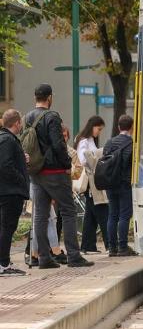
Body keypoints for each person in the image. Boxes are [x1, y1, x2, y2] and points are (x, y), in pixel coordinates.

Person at [25, 84, 93, 268]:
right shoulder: (52, 117)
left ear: (35, 97)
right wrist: (66, 165)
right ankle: (73, 256)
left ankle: (44, 258)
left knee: (40, 215)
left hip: (37, 173)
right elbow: (58, 144)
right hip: (55, 172)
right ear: (49, 98)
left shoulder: (28, 117)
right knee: (68, 212)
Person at [0, 109, 29, 275]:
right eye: (20, 124)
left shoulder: (5, 139)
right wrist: (21, 179)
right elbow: (5, 166)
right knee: (7, 227)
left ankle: (3, 262)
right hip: (10, 192)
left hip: (6, 190)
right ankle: (3, 264)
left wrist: (21, 158)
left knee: (5, 227)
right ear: (17, 123)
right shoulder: (8, 140)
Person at [75, 115, 109, 253]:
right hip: (90, 181)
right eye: (98, 129)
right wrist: (98, 155)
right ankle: (110, 243)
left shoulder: (88, 140)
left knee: (91, 215)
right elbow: (84, 160)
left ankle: (88, 245)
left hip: (92, 180)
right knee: (102, 211)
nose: (99, 132)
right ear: (92, 126)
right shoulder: (84, 141)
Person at [104, 114, 137, 257]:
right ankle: (123, 247)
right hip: (125, 183)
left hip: (110, 183)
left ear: (118, 127)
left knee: (112, 215)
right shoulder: (132, 144)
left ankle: (112, 248)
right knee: (124, 216)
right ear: (132, 128)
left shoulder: (109, 142)